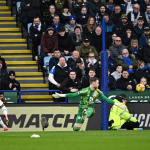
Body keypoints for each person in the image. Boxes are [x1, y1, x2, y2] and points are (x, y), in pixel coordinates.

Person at [52, 77, 126, 131]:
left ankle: (86, 113)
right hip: (81, 109)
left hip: (90, 108)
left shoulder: (98, 92)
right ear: (93, 83)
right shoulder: (85, 90)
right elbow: (74, 95)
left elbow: (106, 99)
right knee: (77, 128)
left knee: (89, 110)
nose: (98, 84)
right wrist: (62, 95)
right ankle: (80, 119)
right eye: (97, 82)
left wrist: (117, 104)